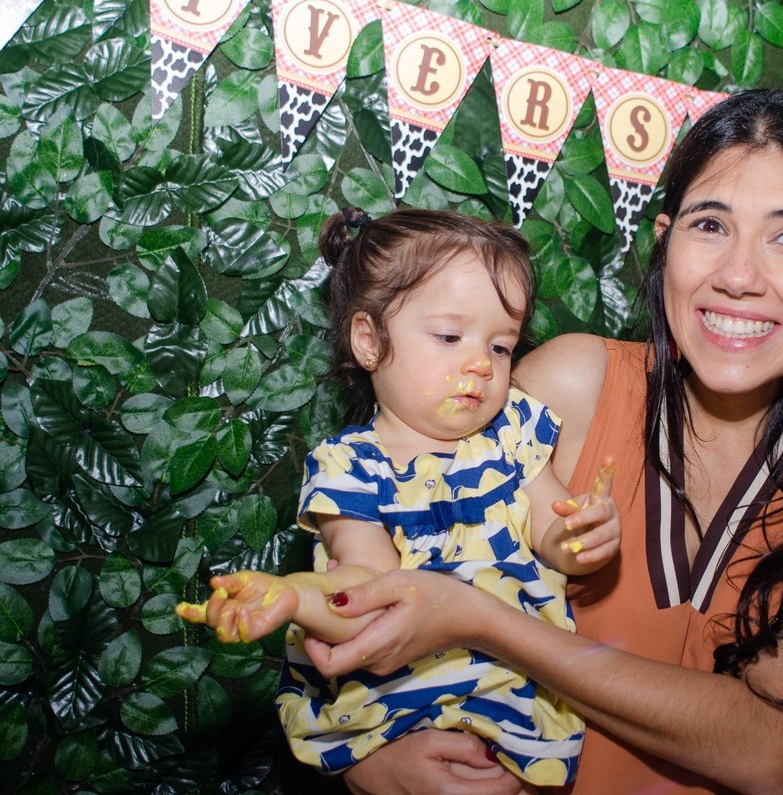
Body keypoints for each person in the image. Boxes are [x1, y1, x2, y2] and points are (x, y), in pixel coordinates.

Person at [300, 88, 783, 795]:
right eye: (710, 225)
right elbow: (362, 567)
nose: (738, 276)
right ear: (665, 244)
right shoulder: (567, 387)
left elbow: (772, 749)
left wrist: (484, 622)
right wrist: (366, 762)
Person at [177, 208, 621, 790]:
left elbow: (553, 536)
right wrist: (295, 596)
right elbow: (366, 593)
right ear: (369, 341)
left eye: (500, 346)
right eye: (449, 337)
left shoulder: (512, 434)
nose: (480, 364)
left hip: (517, 698)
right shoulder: (350, 469)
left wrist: (583, 535)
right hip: (399, 708)